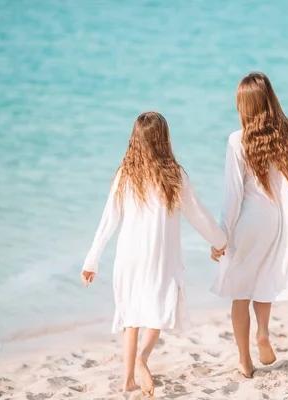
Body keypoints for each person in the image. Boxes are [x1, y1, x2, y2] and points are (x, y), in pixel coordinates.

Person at [81, 111, 227, 395]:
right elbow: (198, 214)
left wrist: (92, 259)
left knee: (130, 318)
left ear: (134, 140)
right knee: (160, 311)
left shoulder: (125, 174)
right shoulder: (175, 174)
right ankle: (142, 359)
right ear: (164, 138)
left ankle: (127, 381)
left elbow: (108, 219)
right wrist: (219, 241)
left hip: (129, 257)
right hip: (161, 257)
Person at [210, 72, 288, 378]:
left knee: (241, 291)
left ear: (244, 105)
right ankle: (263, 331)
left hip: (247, 221)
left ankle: (244, 360)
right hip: (276, 219)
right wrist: (284, 217)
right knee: (264, 282)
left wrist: (221, 235)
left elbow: (232, 193)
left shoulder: (238, 140)